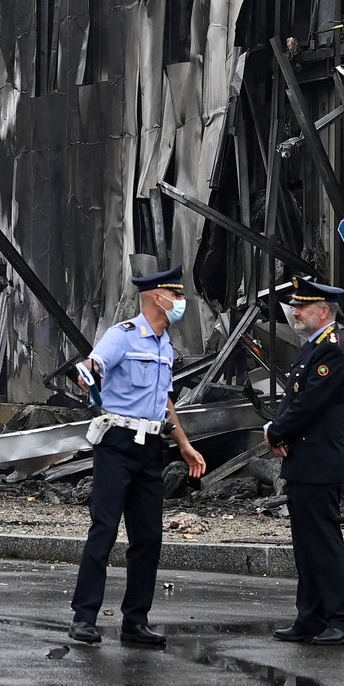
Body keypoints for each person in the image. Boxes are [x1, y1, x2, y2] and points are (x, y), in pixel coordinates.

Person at [68, 266, 208, 647]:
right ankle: (84, 618)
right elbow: (92, 366)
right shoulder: (123, 336)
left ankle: (136, 620)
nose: (180, 302)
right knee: (105, 529)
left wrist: (183, 443)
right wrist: (88, 374)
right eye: (174, 295)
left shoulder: (165, 345)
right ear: (156, 297)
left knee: (148, 537)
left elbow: (165, 400)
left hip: (151, 448)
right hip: (116, 443)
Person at [263, 276, 344, 645]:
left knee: (323, 543)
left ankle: (340, 619)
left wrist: (276, 432)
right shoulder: (313, 346)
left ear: (324, 311)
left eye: (302, 307)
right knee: (305, 545)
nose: (295, 312)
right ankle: (310, 616)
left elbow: (309, 403)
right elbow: (295, 400)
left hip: (320, 462)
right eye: (295, 306)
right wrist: (277, 429)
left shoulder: (332, 349)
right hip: (305, 460)